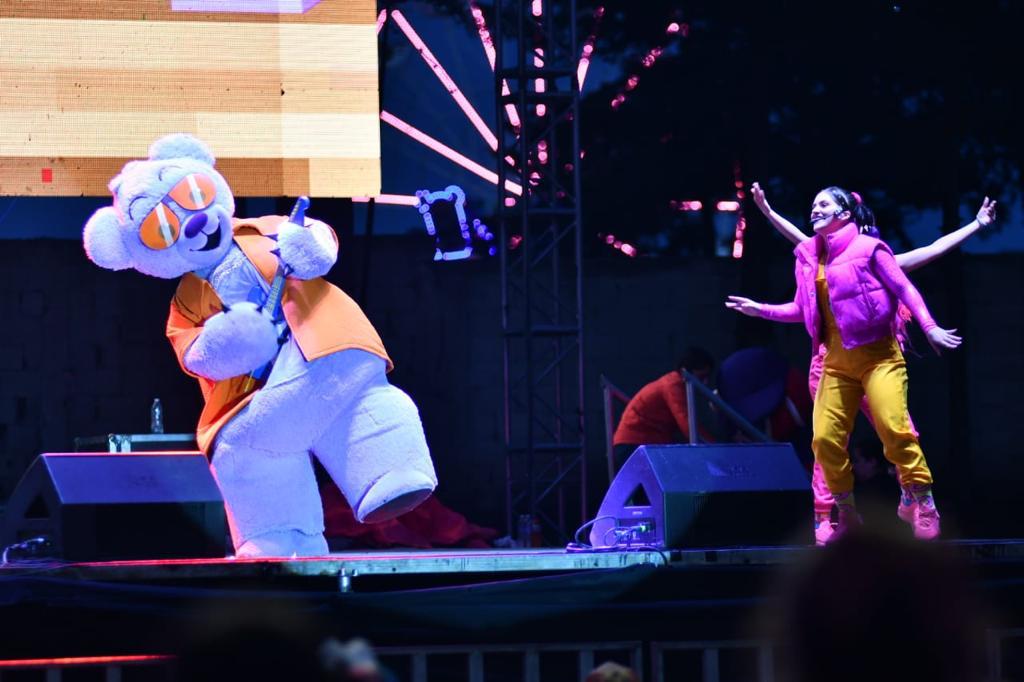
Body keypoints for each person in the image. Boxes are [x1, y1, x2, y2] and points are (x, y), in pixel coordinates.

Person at [749, 182, 996, 544]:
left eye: (824, 205)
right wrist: (768, 212)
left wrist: (975, 225)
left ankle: (917, 498)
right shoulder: (815, 256)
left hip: (877, 357)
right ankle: (833, 515)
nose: (816, 211)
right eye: (814, 205)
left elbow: (931, 251)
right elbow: (799, 266)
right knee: (825, 440)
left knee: (897, 429)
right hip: (832, 361)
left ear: (847, 216)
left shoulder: (871, 253)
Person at [612, 347, 714, 469]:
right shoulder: (673, 385)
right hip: (634, 445)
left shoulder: (675, 384)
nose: (705, 382)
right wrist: (715, 448)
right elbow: (687, 424)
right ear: (686, 372)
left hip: (639, 444)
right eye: (701, 377)